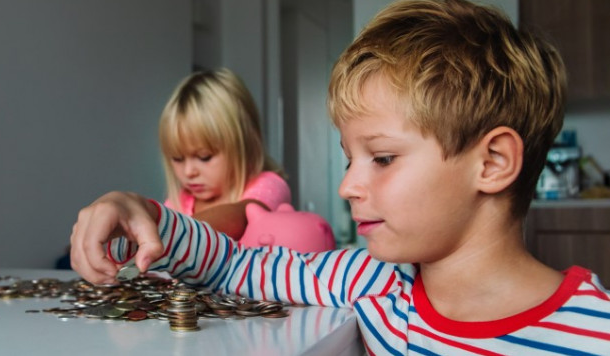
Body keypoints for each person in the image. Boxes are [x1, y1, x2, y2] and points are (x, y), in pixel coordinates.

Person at [69, 0, 610, 353]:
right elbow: (233, 264)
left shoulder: (593, 331)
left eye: (382, 157)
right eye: (348, 158)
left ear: (491, 163)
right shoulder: (366, 281)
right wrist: (148, 215)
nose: (347, 186)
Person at [158, 68, 290, 239]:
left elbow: (243, 216)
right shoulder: (177, 203)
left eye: (204, 157)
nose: (189, 171)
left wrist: (167, 234)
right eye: (177, 158)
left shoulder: (269, 185)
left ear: (246, 143)